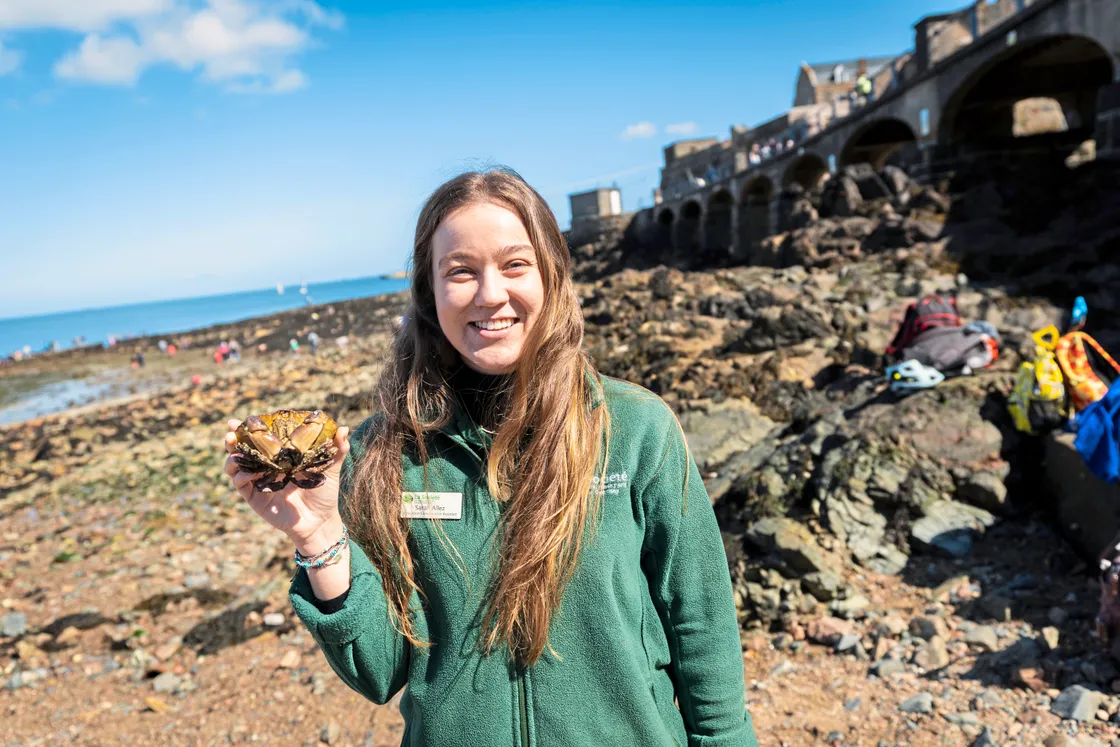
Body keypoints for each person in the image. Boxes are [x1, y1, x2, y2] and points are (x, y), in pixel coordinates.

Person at [221, 169, 758, 746]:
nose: (490, 294)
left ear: (552, 274)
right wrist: (319, 533)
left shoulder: (634, 429)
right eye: (461, 271)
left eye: (514, 265)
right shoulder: (384, 451)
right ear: (429, 291)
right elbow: (380, 672)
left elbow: (702, 631)